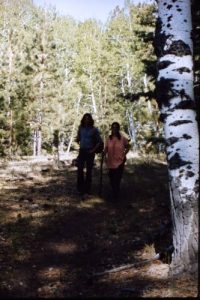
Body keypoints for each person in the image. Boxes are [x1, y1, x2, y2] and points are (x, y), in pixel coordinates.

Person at [76, 113, 103, 198]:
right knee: (80, 169)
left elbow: (99, 141)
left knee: (89, 171)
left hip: (90, 152)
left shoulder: (94, 130)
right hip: (82, 151)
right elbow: (78, 138)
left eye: (88, 118)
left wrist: (93, 150)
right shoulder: (81, 128)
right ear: (83, 119)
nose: (86, 120)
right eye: (85, 118)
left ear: (91, 120)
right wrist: (77, 140)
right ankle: (80, 189)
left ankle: (87, 189)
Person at [104, 122, 130, 200]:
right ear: (111, 129)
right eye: (113, 127)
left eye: (116, 127)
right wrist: (104, 153)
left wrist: (124, 154)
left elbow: (128, 146)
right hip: (111, 161)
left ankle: (115, 195)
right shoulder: (108, 138)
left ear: (118, 129)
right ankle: (115, 192)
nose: (114, 129)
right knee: (111, 179)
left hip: (120, 161)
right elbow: (106, 148)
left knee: (117, 178)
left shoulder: (122, 138)